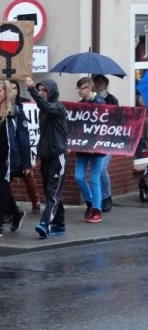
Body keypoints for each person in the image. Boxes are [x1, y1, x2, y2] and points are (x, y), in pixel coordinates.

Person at [0, 80, 31, 238]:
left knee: (1, 188)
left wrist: (26, 162)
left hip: (9, 157)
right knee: (0, 188)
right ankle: (16, 214)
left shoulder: (15, 112)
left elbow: (24, 138)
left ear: (6, 93)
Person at [25, 77, 68, 238]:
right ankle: (59, 224)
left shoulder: (58, 108)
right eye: (40, 90)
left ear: (52, 92)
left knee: (53, 192)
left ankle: (45, 223)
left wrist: (31, 89)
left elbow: (45, 105)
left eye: (44, 90)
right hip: (46, 156)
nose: (42, 93)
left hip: (58, 156)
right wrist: (37, 155)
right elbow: (42, 135)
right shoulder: (44, 111)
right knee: (52, 192)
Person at [75, 76, 105, 223]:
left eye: (81, 88)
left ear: (88, 87)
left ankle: (97, 209)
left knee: (94, 179)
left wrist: (96, 143)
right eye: (78, 88)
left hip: (97, 148)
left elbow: (103, 125)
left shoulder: (100, 103)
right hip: (82, 147)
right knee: (79, 176)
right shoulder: (80, 105)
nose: (78, 91)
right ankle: (90, 201)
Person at [10, 80, 41, 213]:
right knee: (4, 180)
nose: (13, 91)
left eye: (15, 88)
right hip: (10, 148)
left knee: (28, 177)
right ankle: (6, 205)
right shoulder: (0, 105)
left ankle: (36, 201)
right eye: (10, 88)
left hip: (22, 148)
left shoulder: (25, 103)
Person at [92, 74, 118, 212]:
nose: (98, 83)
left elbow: (115, 118)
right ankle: (98, 199)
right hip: (94, 141)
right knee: (95, 171)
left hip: (108, 140)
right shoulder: (90, 99)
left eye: (101, 82)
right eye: (96, 81)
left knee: (102, 169)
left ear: (106, 84)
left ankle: (107, 197)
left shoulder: (112, 100)